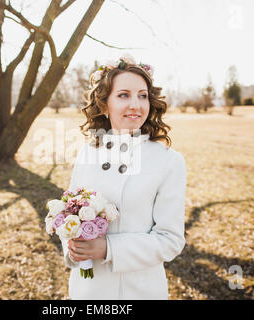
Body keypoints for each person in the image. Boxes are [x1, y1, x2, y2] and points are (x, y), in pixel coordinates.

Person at [62, 54, 186, 300]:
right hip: (88, 290)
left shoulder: (169, 161)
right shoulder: (88, 151)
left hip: (138, 290)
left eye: (142, 95)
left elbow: (170, 240)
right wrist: (73, 248)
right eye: (123, 95)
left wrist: (109, 249)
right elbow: (68, 214)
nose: (136, 105)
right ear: (104, 104)